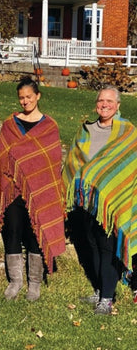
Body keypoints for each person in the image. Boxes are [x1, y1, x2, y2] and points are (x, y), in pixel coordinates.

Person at [0, 76, 66, 301]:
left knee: (36, 232)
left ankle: (34, 283)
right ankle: (15, 281)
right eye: (21, 98)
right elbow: (0, 157)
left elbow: (52, 161)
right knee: (12, 231)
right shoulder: (10, 124)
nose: (25, 101)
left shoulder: (49, 127)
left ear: (38, 96)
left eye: (29, 97)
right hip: (12, 189)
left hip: (39, 189)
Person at [63, 85, 137, 315]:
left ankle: (107, 298)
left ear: (118, 105)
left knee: (106, 247)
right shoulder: (85, 130)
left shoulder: (127, 132)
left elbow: (129, 164)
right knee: (91, 244)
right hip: (86, 201)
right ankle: (99, 289)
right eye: (101, 100)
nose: (104, 105)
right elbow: (74, 161)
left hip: (112, 201)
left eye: (109, 101)